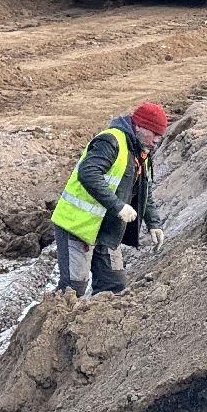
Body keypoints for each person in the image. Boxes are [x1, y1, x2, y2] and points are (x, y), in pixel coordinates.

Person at [52, 103, 169, 297]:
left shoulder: (140, 153)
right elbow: (88, 173)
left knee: (114, 287)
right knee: (73, 290)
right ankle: (50, 324)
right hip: (77, 225)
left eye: (160, 135)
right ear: (139, 126)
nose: (157, 140)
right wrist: (117, 206)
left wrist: (153, 223)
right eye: (154, 134)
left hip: (106, 231)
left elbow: (143, 192)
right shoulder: (111, 141)